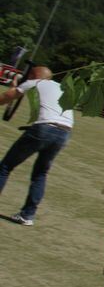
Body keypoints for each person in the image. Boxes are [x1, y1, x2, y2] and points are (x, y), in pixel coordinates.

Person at [0, 66, 74, 226]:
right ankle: (28, 215)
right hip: (65, 132)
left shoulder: (35, 82)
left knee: (5, 166)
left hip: (43, 128)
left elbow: (7, 96)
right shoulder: (61, 87)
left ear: (33, 75)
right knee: (40, 173)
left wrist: (15, 87)